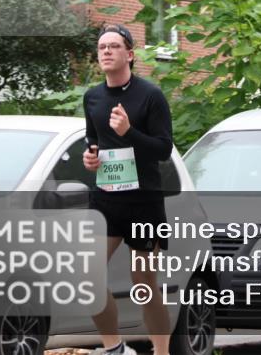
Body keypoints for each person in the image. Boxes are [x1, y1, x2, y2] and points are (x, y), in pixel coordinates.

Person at [83, 23, 174, 355]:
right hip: (106, 199)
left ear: (130, 54)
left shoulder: (150, 95)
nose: (106, 51)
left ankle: (161, 352)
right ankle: (115, 348)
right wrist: (90, 159)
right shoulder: (92, 97)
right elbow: (94, 141)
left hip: (143, 201)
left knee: (144, 285)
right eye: (101, 47)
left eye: (114, 46)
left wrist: (129, 132)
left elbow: (163, 149)